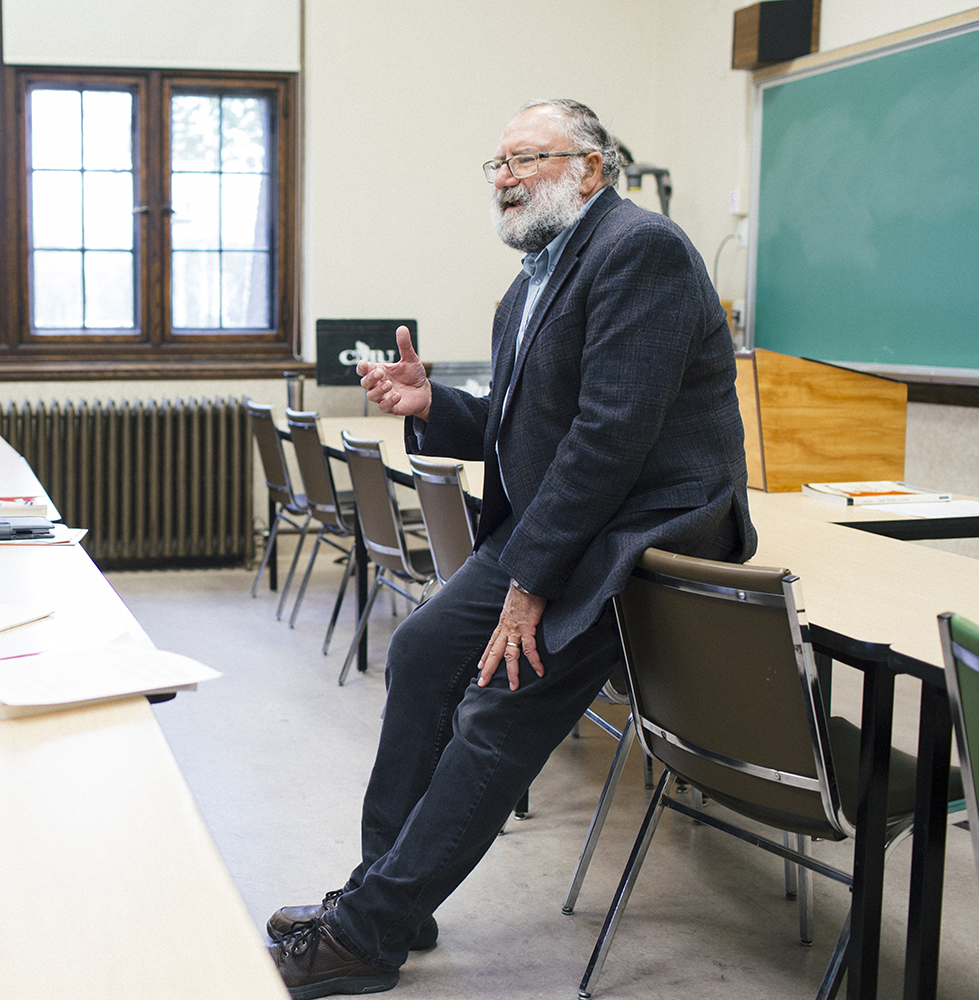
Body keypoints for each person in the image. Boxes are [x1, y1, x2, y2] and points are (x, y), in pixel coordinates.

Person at [265, 99, 757, 998]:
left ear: (592, 169)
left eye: (527, 158)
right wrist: (434, 405)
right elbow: (533, 427)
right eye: (496, 164)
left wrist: (529, 583)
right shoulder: (534, 277)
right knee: (419, 653)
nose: (505, 178)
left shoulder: (639, 250)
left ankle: (363, 936)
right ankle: (392, 903)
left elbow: (610, 437)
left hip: (635, 535)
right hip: (562, 522)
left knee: (496, 708)